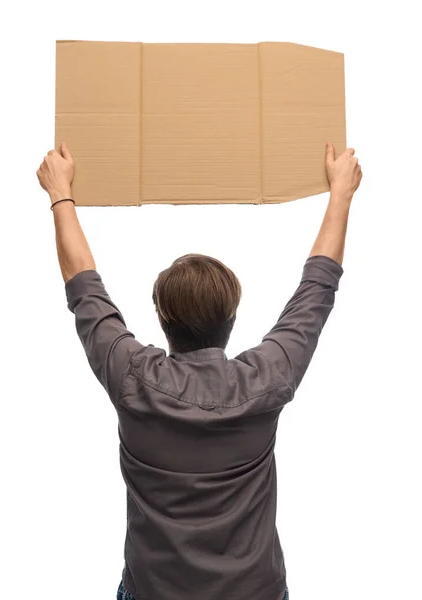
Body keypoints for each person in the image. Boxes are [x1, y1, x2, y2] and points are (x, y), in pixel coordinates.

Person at [37, 141, 362, 600]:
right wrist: (340, 194)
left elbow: (83, 286)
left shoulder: (131, 376)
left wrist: (60, 193)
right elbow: (317, 288)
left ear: (162, 319)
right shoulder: (266, 378)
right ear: (232, 321)